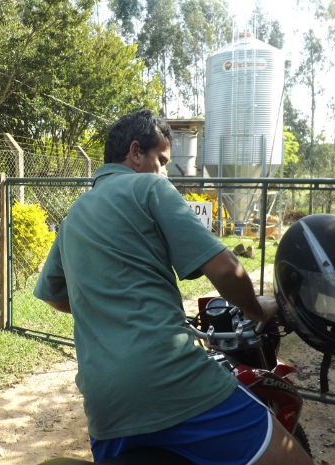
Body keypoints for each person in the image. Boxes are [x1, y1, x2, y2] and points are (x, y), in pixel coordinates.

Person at [33, 109, 313, 465]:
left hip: (104, 410)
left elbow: (56, 296)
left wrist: (110, 303)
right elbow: (225, 269)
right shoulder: (150, 186)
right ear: (136, 153)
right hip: (172, 381)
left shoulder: (75, 214)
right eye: (162, 161)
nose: (165, 172)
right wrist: (258, 308)